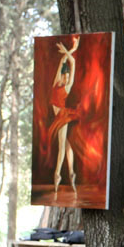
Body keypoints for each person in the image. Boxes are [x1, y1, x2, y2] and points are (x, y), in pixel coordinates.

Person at [49, 35, 80, 196]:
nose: (66, 79)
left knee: (62, 146)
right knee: (67, 145)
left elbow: (72, 63)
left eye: (68, 77)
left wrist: (71, 51)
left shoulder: (67, 87)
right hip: (58, 117)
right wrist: (70, 51)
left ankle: (58, 174)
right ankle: (72, 172)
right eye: (65, 76)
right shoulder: (56, 83)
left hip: (62, 116)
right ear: (61, 76)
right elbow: (63, 62)